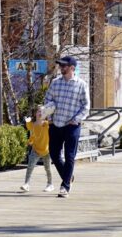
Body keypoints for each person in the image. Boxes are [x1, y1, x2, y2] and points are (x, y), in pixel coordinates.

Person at [44, 55, 89, 198]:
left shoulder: (81, 84)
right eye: (60, 66)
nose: (61, 68)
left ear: (72, 68)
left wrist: (76, 119)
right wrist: (49, 117)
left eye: (64, 66)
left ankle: (65, 186)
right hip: (56, 124)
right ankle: (67, 175)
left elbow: (86, 106)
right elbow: (48, 100)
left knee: (70, 156)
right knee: (54, 155)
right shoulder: (55, 83)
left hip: (72, 125)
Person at [20, 105, 54, 193]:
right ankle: (26, 184)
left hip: (46, 150)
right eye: (38, 111)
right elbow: (29, 127)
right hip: (35, 149)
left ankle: (50, 184)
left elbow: (52, 123)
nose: (40, 113)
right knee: (30, 166)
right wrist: (27, 121)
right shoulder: (32, 124)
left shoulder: (46, 124)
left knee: (48, 168)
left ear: (45, 115)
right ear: (35, 113)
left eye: (42, 112)